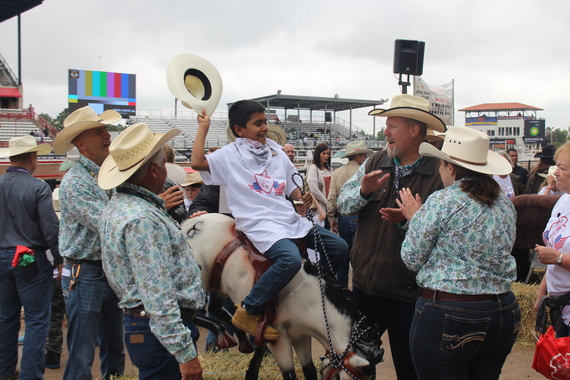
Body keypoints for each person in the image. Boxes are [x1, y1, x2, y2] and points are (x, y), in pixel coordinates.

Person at [191, 100, 348, 339]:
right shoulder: (229, 154)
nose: (265, 127)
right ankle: (249, 310)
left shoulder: (275, 149)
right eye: (258, 124)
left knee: (340, 247)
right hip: (258, 223)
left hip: (287, 219)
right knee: (289, 260)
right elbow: (197, 163)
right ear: (239, 130)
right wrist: (203, 127)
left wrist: (301, 196)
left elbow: (291, 186)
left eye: (265, 122)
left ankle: (318, 292)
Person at [337, 94, 446, 380]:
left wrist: (412, 220)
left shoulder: (440, 171)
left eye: (393, 126)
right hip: (364, 289)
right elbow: (343, 206)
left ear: (415, 130)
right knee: (355, 365)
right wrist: (364, 191)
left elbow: (444, 235)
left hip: (408, 295)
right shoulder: (376, 160)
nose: (385, 132)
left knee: (410, 369)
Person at [398, 126, 520, 379]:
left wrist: (416, 218)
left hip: (450, 311)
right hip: (502, 309)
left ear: (450, 168)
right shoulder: (505, 204)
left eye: (441, 165)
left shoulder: (442, 201)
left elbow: (411, 258)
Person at [98, 123, 206, 380]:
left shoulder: (121, 206)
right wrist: (185, 354)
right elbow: (158, 295)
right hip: (158, 332)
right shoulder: (143, 219)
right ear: (156, 169)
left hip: (149, 329)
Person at [53, 106, 125, 380]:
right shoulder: (75, 182)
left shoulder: (105, 174)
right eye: (99, 132)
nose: (107, 135)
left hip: (102, 270)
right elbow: (106, 222)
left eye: (105, 130)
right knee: (83, 351)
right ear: (81, 144)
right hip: (86, 274)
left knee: (113, 345)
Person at [0, 136, 62, 380]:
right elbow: (50, 227)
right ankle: (30, 375)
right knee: (37, 319)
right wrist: (58, 258)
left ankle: (4, 371)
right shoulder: (37, 187)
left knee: (6, 317)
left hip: (2, 255)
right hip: (27, 256)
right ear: (33, 158)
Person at [535, 142, 570, 338]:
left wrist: (558, 258)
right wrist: (542, 292)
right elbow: (553, 252)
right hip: (561, 309)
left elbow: (556, 256)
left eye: (562, 168)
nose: (555, 172)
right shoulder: (564, 200)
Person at [326, 141, 372, 287]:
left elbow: (332, 197)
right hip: (360, 217)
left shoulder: (337, 173)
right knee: (360, 258)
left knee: (343, 257)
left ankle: (342, 291)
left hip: (343, 218)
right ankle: (359, 289)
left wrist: (331, 218)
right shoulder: (365, 173)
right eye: (364, 155)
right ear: (358, 156)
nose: (365, 158)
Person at [45, 160, 75, 370]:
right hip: (70, 264)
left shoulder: (54, 198)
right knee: (74, 313)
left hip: (57, 263)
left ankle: (53, 354)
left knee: (55, 312)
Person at [306, 143, 332, 229]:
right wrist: (326, 202)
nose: (326, 156)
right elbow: (314, 189)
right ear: (318, 154)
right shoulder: (313, 168)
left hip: (329, 207)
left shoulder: (329, 168)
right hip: (319, 209)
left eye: (328, 153)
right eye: (324, 153)